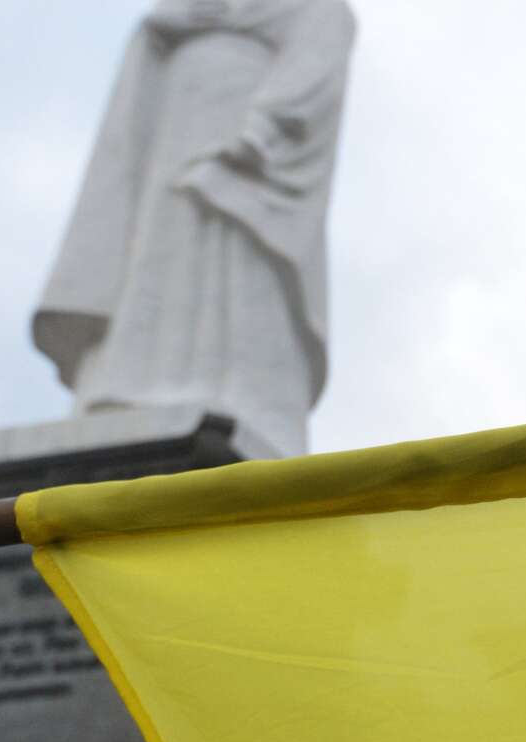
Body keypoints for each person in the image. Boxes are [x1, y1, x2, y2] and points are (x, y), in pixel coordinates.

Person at [33, 0, 355, 460]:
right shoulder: (190, 12)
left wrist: (263, 129)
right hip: (176, 122)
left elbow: (317, 54)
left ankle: (235, 392)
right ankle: (129, 382)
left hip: (242, 130)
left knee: (233, 250)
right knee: (161, 244)